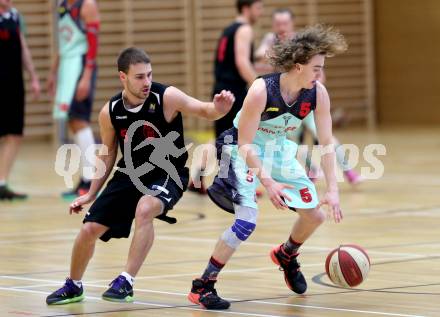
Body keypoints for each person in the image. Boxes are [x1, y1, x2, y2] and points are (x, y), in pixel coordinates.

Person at [46, 47, 235, 305]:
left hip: (169, 173)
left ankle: (126, 281)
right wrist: (91, 193)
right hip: (129, 174)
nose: (146, 82)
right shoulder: (110, 111)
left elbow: (204, 110)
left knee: (145, 209)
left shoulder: (166, 96)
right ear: (122, 77)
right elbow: (108, 153)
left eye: (149, 75)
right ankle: (73, 285)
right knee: (89, 229)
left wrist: (219, 108)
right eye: (139, 77)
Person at [187, 25, 345, 310]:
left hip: (277, 149)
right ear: (298, 67)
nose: (320, 75)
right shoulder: (262, 90)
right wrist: (268, 182)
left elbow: (327, 144)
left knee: (315, 216)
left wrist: (333, 189)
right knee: (246, 221)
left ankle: (286, 254)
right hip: (240, 149)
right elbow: (245, 144)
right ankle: (204, 285)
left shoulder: (317, 94)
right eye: (316, 68)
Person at [255, 8, 361, 185]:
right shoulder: (270, 40)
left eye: (285, 23)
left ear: (292, 24)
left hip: (304, 99)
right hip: (283, 101)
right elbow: (259, 56)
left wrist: (316, 94)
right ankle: (311, 169)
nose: (281, 27)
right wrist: (270, 55)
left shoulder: (302, 45)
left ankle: (348, 171)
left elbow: (320, 75)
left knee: (325, 136)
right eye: (278, 23)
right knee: (290, 142)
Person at [188, 0, 263, 194]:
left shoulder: (228, 29)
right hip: (234, 92)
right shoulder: (245, 29)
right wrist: (260, 85)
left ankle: (197, 178)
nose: (261, 12)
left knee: (221, 137)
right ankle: (231, 183)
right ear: (246, 8)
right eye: (258, 7)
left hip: (221, 88)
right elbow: (241, 62)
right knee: (240, 138)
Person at [47, 0, 100, 198]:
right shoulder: (62, 5)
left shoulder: (87, 5)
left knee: (80, 120)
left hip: (81, 66)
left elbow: (93, 45)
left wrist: (86, 76)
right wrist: (53, 71)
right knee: (72, 120)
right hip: (67, 66)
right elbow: (63, 43)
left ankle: (90, 180)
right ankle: (85, 179)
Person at [0, 0, 40, 200]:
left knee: (14, 133)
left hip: (14, 83)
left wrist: (33, 76)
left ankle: (2, 182)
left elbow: (22, 46)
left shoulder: (16, 17)